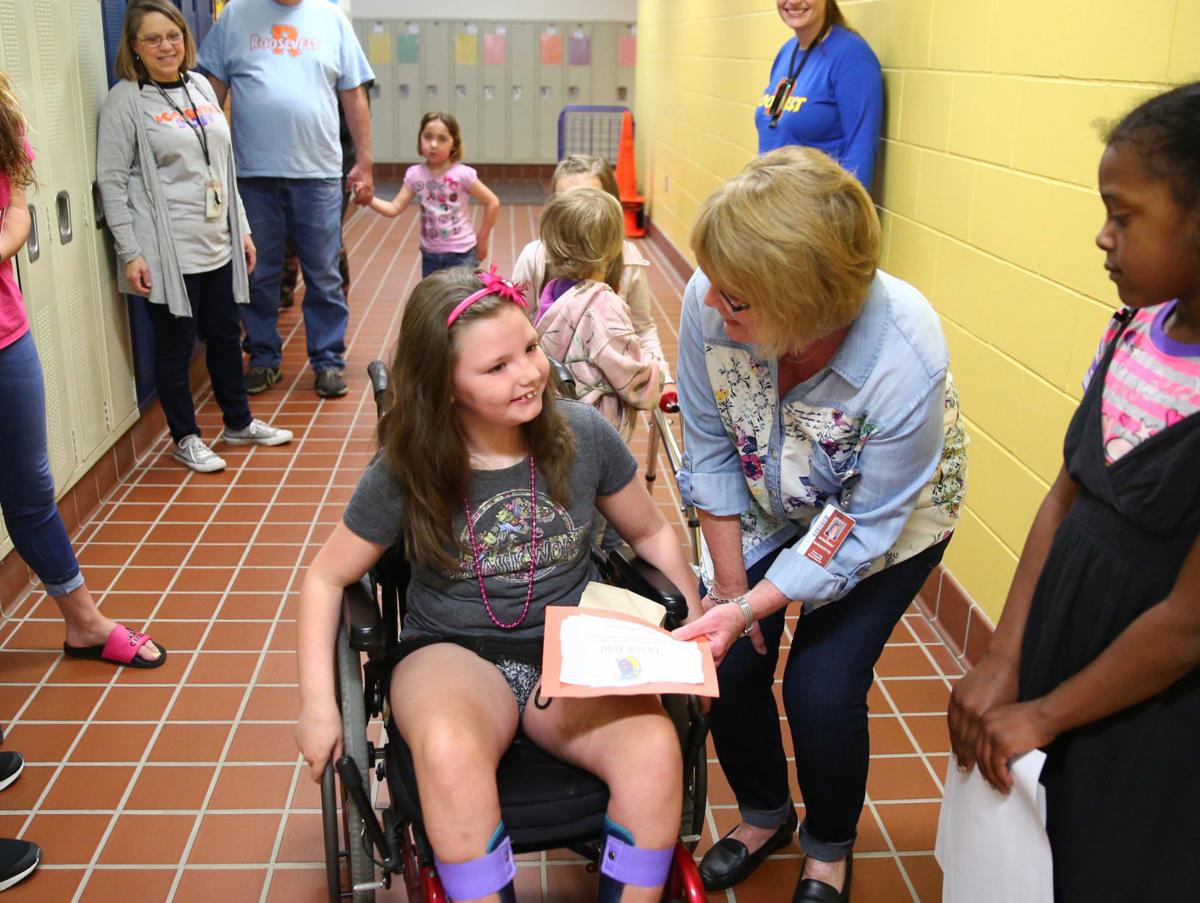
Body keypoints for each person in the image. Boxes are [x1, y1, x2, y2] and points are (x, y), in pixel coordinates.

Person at [296, 267, 702, 903]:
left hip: (568, 652)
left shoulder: (581, 435)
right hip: (452, 653)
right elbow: (325, 577)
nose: (529, 374)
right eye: (497, 367)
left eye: (532, 350)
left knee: (653, 746)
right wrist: (320, 706)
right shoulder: (409, 466)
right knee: (450, 752)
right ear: (444, 386)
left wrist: (694, 635)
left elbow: (650, 536)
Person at [671, 146, 967, 902]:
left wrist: (748, 606)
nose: (711, 303)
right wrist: (732, 591)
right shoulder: (715, 294)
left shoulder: (905, 355)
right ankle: (766, 812)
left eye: (735, 300)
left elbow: (861, 525)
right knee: (727, 662)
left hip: (887, 521)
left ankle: (829, 845)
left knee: (822, 687)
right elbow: (707, 443)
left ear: (802, 305)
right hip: (772, 490)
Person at [947, 84, 1200, 903]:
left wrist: (1049, 712)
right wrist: (1005, 658)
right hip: (1059, 660)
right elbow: (1064, 498)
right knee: (1042, 852)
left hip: (1150, 711)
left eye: (1124, 216)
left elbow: (1188, 619)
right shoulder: (1129, 330)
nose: (1103, 235)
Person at [0, 66, 166, 885]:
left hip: (5, 338)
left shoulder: (2, 118)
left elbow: (19, 203)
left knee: (29, 488)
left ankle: (82, 622)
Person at [96, 0, 292, 474]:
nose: (166, 46)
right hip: (167, 251)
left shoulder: (200, 85)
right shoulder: (126, 100)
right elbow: (112, 181)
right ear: (135, 48)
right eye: (153, 38)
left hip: (216, 240)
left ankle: (238, 422)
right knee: (175, 345)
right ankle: (185, 437)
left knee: (226, 335)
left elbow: (222, 168)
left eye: (174, 35)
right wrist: (131, 252)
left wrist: (241, 229)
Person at [197, 0, 375, 399]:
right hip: (253, 174)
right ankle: (262, 358)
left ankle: (328, 362)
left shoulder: (331, 18)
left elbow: (354, 94)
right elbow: (211, 93)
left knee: (324, 274)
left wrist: (364, 161)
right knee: (257, 273)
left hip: (318, 174)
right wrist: (204, 161)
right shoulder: (236, 15)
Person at [512, 154, 671, 384]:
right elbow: (517, 324)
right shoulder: (535, 258)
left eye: (590, 201)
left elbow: (642, 328)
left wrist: (664, 379)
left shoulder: (628, 261)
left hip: (611, 391)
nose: (578, 216)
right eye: (567, 203)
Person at [534, 187, 662, 441]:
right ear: (613, 248)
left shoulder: (552, 292)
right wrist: (657, 374)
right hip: (595, 432)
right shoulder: (603, 306)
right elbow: (631, 378)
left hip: (559, 419)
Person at [757, 1, 882, 188]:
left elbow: (860, 156)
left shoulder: (852, 56)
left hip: (815, 212)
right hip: (772, 207)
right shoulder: (786, 52)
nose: (793, 1)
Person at [367, 112, 500, 279]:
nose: (434, 144)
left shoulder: (463, 174)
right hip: (430, 257)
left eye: (442, 139)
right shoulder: (415, 175)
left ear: (454, 144)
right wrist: (369, 199)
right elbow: (394, 208)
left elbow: (492, 202)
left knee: (461, 302)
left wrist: (483, 238)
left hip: (462, 254)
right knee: (434, 303)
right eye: (427, 137)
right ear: (419, 139)